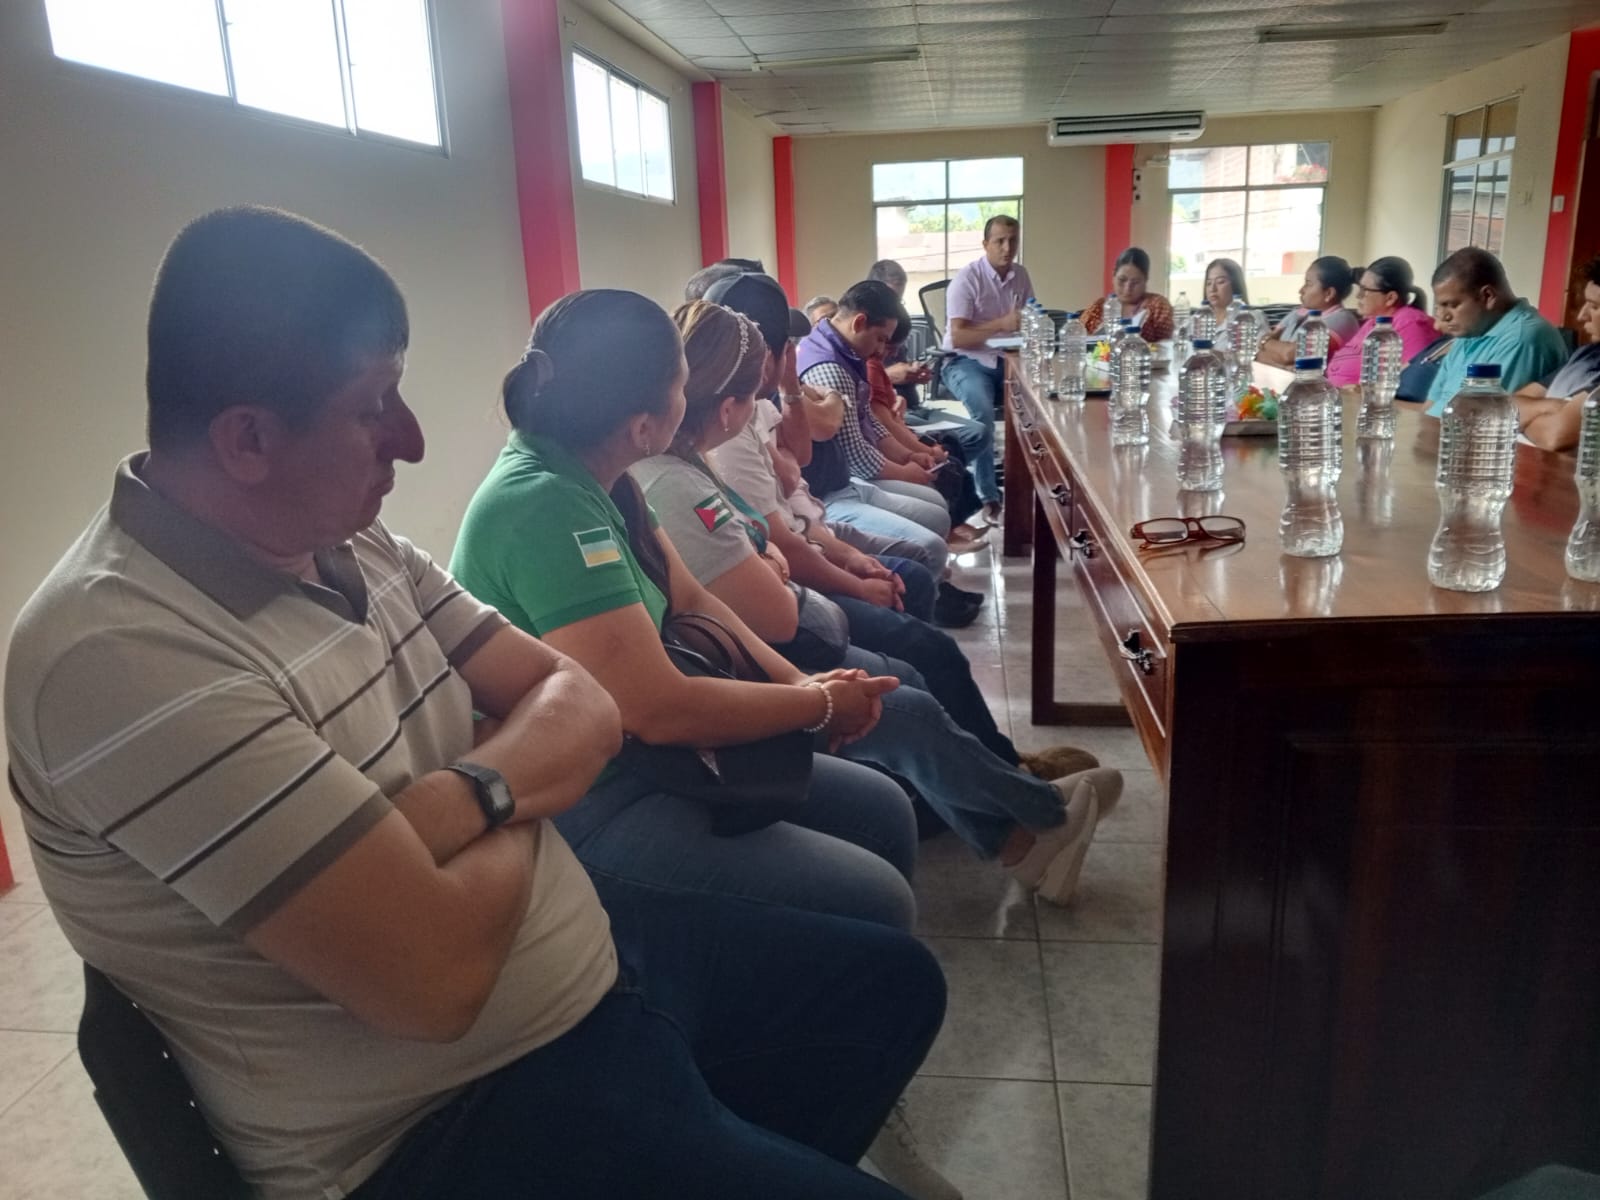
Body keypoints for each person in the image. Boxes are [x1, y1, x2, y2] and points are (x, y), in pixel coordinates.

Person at [4, 206, 946, 1200]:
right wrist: (515, 774)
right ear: (247, 439)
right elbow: (436, 977)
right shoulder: (116, 654)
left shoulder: (351, 541)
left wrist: (450, 804)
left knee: (889, 989)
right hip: (445, 1122)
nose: (411, 441)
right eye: (375, 406)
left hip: (584, 979)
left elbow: (582, 702)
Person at [451, 288, 924, 933]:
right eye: (681, 382)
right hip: (595, 790)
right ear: (644, 424)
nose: (692, 393)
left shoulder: (607, 475)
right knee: (879, 899)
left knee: (884, 810)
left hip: (655, 755)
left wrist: (801, 686)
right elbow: (656, 709)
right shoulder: (544, 506)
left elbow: (693, 598)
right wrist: (816, 707)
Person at [630, 298, 1120, 904]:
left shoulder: (683, 464)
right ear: (726, 405)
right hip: (759, 657)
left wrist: (786, 562)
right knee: (902, 704)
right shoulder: (673, 482)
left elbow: (768, 543)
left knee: (912, 675)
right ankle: (1044, 816)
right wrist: (799, 644)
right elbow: (772, 607)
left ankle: (1023, 841)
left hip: (781, 635)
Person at [795, 279, 962, 558]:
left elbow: (869, 419)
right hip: (835, 485)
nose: (881, 350)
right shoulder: (830, 366)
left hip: (847, 477)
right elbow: (855, 455)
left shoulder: (843, 349)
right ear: (859, 322)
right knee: (933, 524)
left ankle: (929, 572)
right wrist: (905, 472)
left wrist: (909, 455)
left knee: (936, 507)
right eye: (881, 339)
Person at [941, 214, 1029, 521]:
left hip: (1008, 358)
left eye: (1012, 241)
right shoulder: (967, 279)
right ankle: (988, 497)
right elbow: (958, 337)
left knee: (1039, 407)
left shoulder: (1021, 275)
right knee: (983, 417)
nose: (1007, 248)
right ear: (985, 244)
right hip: (966, 361)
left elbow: (1027, 320)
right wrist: (1001, 324)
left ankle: (1028, 491)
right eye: (999, 241)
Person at [1424, 247, 1568, 416]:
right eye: (1439, 307)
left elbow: (1482, 418)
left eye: (1452, 305)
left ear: (1487, 296)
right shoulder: (1471, 331)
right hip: (1440, 429)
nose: (1443, 317)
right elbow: (1429, 407)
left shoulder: (1522, 338)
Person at [1515, 258, 1600, 451]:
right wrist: (1554, 407)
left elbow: (1554, 436)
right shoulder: (1587, 354)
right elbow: (1510, 404)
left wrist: (1526, 418)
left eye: (1595, 307)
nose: (1582, 316)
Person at [1326, 256, 1437, 386]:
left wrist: (1361, 391)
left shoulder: (1412, 324)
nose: (1358, 296)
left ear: (1390, 298)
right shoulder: (1373, 322)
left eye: (1365, 290)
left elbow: (1417, 382)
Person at [1256, 256, 1361, 367]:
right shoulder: (1299, 312)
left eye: (1308, 283)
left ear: (1329, 293)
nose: (1301, 290)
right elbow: (1259, 354)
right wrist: (1284, 363)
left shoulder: (1342, 320)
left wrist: (1265, 343)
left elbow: (1289, 354)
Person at [1082, 247, 1175, 342]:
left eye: (1135, 282)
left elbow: (1168, 344)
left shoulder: (1158, 306)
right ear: (1113, 276)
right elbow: (1077, 339)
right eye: (1122, 280)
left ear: (1145, 280)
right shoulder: (1099, 307)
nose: (1127, 288)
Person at [1202, 257, 1248, 326]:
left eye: (1220, 282)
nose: (1212, 289)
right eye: (1209, 283)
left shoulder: (1251, 318)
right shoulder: (1197, 319)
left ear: (1236, 284)